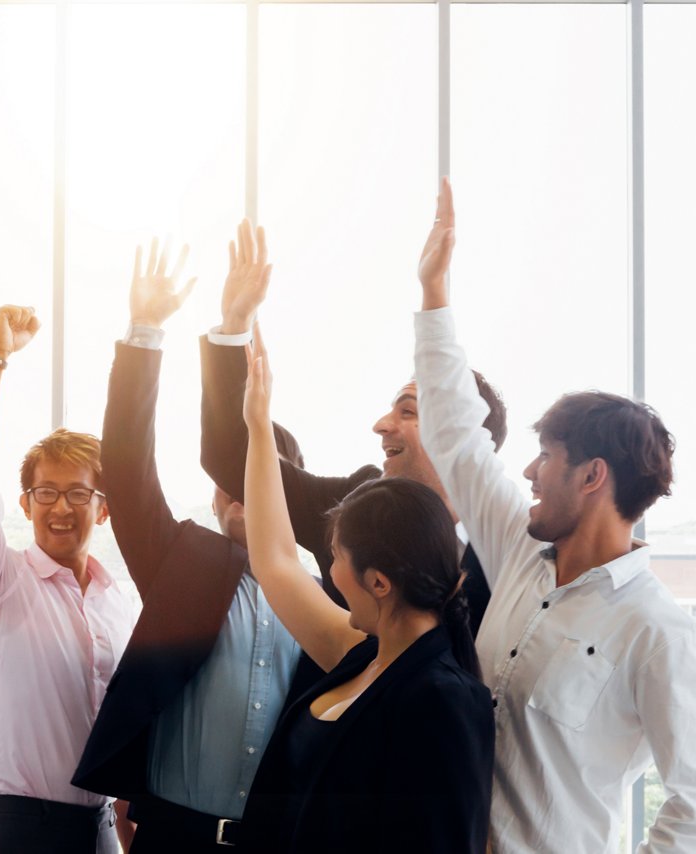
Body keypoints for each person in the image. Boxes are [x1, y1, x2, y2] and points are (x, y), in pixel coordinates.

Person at [413, 178, 696, 852]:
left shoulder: (658, 632)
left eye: (546, 456)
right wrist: (434, 296)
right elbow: (456, 437)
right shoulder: (519, 554)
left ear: (593, 476)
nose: (528, 472)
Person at [72, 237, 376, 853]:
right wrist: (145, 333)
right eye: (228, 484)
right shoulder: (184, 561)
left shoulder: (337, 607)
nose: (239, 496)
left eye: (256, 483)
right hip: (169, 838)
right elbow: (127, 471)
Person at [237, 325, 494, 853]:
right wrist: (258, 428)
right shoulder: (365, 656)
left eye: (336, 559)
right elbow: (276, 561)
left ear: (378, 582)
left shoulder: (445, 699)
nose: (328, 574)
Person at [199, 218, 506, 636]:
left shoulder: (509, 554)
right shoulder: (358, 500)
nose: (381, 426)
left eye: (408, 412)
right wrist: (234, 328)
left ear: (459, 433)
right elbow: (232, 456)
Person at [0, 305, 135, 854]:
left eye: (78, 493)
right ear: (26, 504)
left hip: (99, 826)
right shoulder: (0, 579)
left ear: (102, 509)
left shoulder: (116, 602)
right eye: (46, 493)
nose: (61, 507)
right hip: (20, 830)